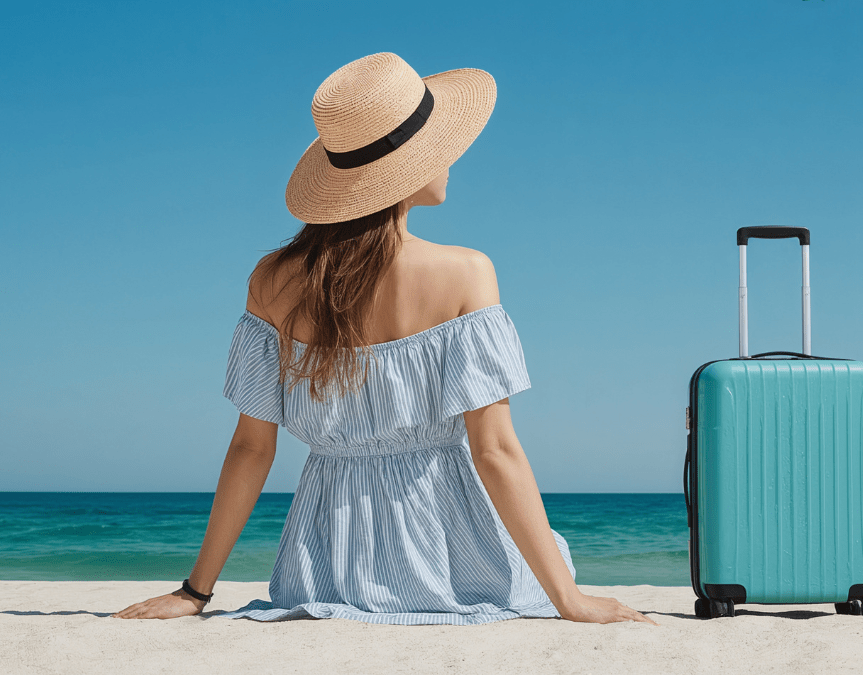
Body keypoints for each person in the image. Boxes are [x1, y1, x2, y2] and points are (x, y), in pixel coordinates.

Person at [112, 52, 655, 626]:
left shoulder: (271, 282)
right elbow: (493, 451)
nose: (453, 161)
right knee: (552, 552)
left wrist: (195, 592)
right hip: (453, 554)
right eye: (440, 148)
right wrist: (569, 600)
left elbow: (252, 450)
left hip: (325, 561)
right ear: (405, 170)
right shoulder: (466, 273)